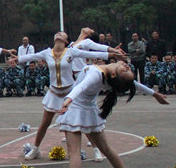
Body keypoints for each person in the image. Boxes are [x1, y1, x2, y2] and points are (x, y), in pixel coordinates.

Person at [50, 62, 169, 168]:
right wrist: (154, 94)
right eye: (128, 69)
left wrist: (68, 100)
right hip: (89, 110)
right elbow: (134, 84)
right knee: (106, 149)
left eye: (125, 70)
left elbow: (81, 87)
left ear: (114, 74)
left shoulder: (96, 74)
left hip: (76, 109)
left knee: (74, 153)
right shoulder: (112, 78)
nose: (127, 67)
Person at [17, 32, 115, 161]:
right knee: (45, 123)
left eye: (62, 34)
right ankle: (35, 149)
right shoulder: (47, 53)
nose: (58, 34)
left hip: (70, 93)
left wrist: (111, 54)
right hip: (53, 93)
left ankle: (96, 150)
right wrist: (16, 58)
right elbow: (30, 56)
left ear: (66, 40)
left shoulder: (71, 52)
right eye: (57, 33)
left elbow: (91, 54)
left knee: (81, 122)